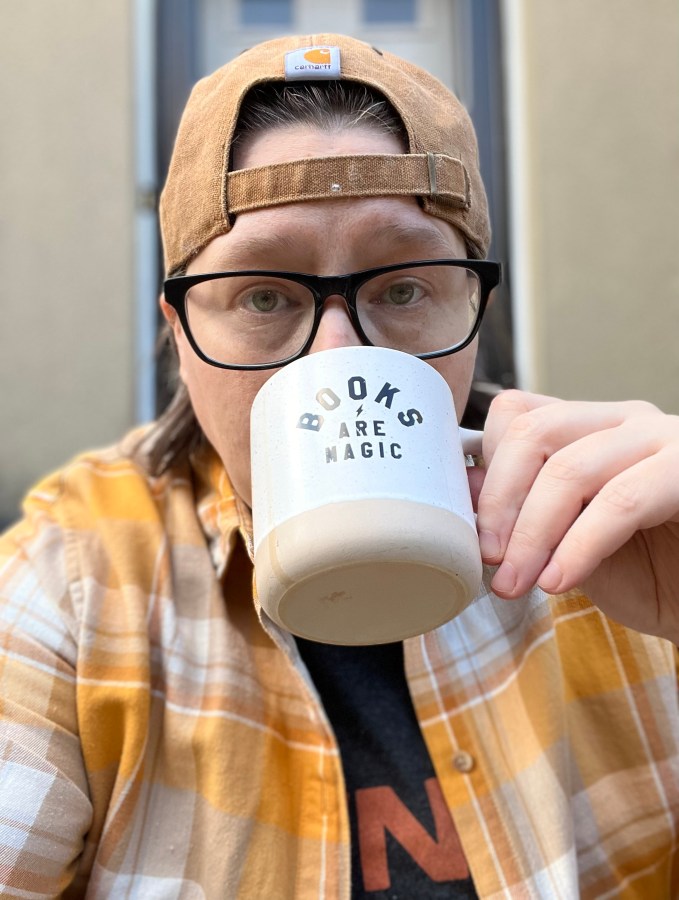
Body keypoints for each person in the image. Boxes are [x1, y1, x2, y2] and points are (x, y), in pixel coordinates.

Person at [1, 32, 678, 899]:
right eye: (263, 295)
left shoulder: (612, 550)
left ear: (471, 305)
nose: (333, 361)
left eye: (402, 288)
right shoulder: (76, 582)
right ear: (180, 335)